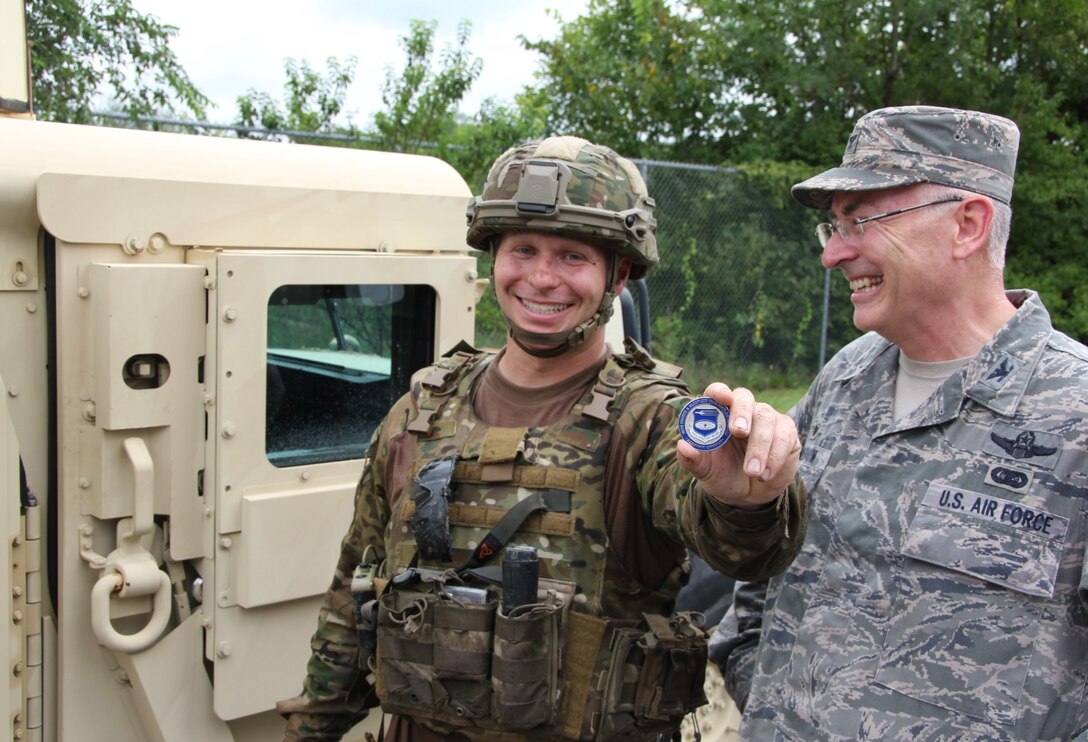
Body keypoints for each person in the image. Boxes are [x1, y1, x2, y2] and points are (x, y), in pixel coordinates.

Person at [278, 136, 807, 741]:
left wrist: (748, 499)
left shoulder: (651, 420)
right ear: (493, 258)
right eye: (523, 249)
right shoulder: (422, 408)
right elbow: (354, 597)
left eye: (572, 257)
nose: (542, 278)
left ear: (620, 273)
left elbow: (747, 552)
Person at [711, 105, 1088, 740]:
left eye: (862, 220)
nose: (834, 253)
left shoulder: (1074, 411)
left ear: (968, 224)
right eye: (833, 226)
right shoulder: (846, 379)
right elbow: (758, 591)